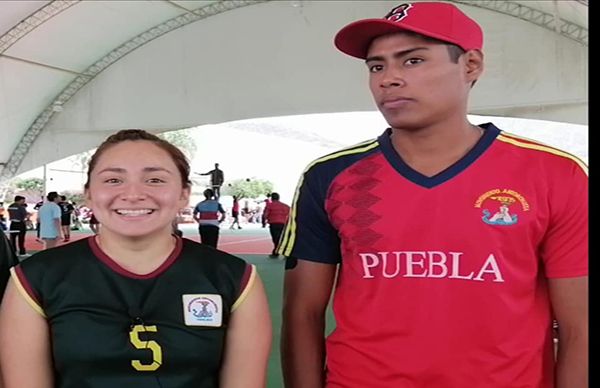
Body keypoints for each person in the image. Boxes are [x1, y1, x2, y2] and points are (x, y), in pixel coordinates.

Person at [278, 3, 588, 388]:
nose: (388, 79)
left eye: (412, 61)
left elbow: (580, 327)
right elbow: (301, 314)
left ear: (471, 66)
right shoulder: (329, 176)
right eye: (377, 66)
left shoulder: (556, 173)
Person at [0, 129, 271, 388]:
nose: (132, 194)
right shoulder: (35, 279)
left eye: (155, 179)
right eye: (113, 180)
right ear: (90, 194)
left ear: (183, 194)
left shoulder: (234, 279)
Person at [262, 192, 290, 259]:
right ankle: (284, 253)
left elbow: (265, 214)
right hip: (283, 224)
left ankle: (276, 252)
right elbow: (290, 214)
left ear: (272, 198)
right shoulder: (285, 206)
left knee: (275, 239)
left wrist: (263, 222)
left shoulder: (269, 205)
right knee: (282, 238)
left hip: (273, 224)